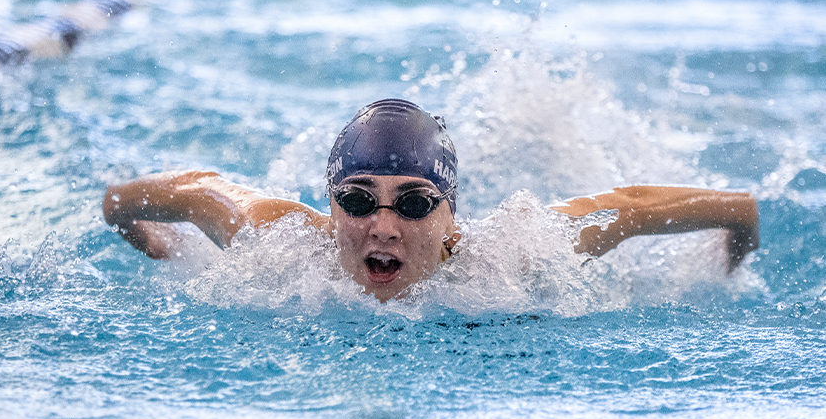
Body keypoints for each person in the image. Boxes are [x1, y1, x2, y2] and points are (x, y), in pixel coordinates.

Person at [103, 98, 759, 302]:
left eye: (413, 204)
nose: (381, 226)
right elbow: (123, 202)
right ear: (327, 205)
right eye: (357, 200)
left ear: (451, 217)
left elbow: (738, 209)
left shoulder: (518, 254)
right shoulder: (273, 236)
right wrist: (161, 248)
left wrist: (720, 275)